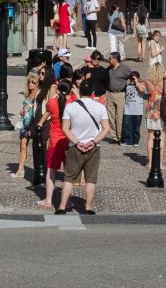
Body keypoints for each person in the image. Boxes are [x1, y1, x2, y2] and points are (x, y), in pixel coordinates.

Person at [55, 78, 106, 215]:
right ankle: (88, 207)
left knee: (69, 178)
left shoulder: (70, 107)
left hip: (75, 146)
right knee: (91, 179)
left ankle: (61, 206)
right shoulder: (100, 107)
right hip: (93, 147)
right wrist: (93, 141)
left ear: (79, 91)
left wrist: (77, 142)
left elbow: (65, 129)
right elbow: (106, 128)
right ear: (92, 92)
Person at [35, 78, 72, 209]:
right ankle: (67, 201)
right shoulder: (72, 103)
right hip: (69, 140)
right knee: (69, 173)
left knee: (51, 172)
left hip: (55, 141)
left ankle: (48, 200)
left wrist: (54, 91)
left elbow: (48, 109)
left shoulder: (51, 103)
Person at [12, 75, 41, 178]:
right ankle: (20, 169)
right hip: (25, 123)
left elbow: (40, 107)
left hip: (34, 123)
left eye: (33, 82)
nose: (30, 84)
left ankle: (39, 170)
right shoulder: (27, 95)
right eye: (29, 82)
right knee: (23, 145)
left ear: (37, 83)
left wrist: (30, 106)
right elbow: (25, 107)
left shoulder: (39, 94)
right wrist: (22, 111)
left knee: (38, 147)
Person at [106, 52, 136, 141]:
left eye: (110, 58)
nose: (109, 60)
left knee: (119, 117)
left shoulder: (125, 68)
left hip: (120, 95)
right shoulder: (109, 68)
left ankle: (120, 136)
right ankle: (114, 137)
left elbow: (132, 78)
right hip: (110, 94)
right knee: (111, 117)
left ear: (115, 59)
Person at [122, 70, 147, 147]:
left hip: (137, 110)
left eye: (133, 79)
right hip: (128, 109)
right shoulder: (128, 86)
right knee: (127, 126)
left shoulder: (141, 85)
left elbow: (142, 90)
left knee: (136, 127)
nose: (132, 80)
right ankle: (127, 140)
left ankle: (135, 141)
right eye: (131, 79)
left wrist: (137, 82)